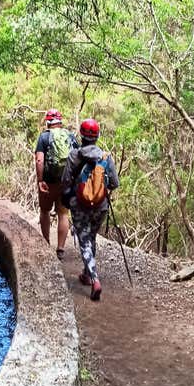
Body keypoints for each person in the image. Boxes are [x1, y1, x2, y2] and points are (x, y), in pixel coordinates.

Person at [62, 118, 119, 301]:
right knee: (91, 237)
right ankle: (87, 274)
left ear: (82, 135)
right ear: (97, 136)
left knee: (84, 240)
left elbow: (66, 180)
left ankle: (94, 279)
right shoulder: (106, 157)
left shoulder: (74, 155)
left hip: (79, 205)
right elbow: (115, 183)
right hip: (100, 206)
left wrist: (67, 198)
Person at [34, 108, 79, 260]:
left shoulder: (44, 137)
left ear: (48, 121)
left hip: (49, 182)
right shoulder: (71, 136)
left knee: (45, 211)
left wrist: (40, 180)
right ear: (60, 121)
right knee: (63, 213)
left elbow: (39, 160)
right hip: (66, 182)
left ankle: (46, 244)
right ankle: (60, 249)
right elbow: (78, 158)